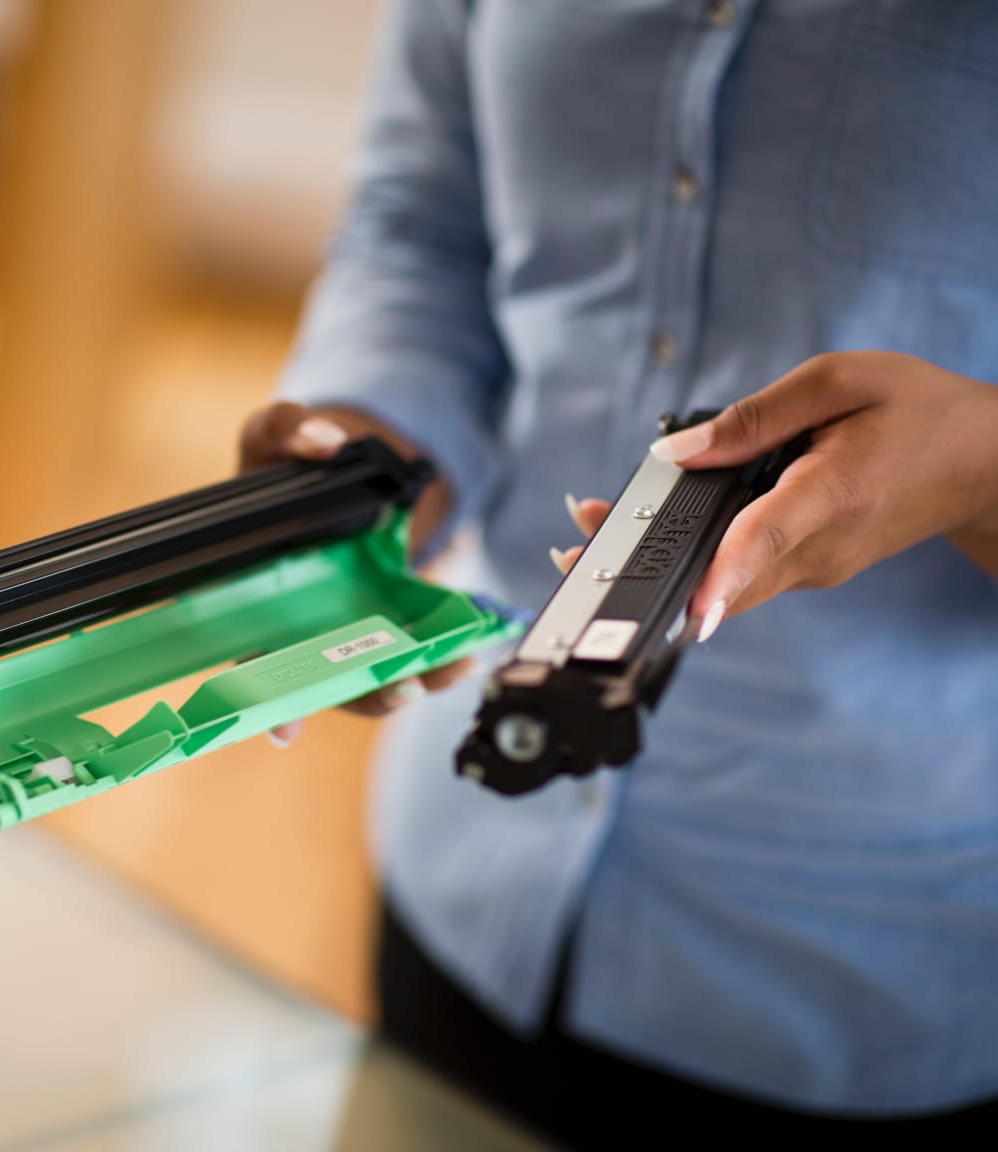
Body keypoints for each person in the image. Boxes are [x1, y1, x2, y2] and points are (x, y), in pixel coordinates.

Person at [237, 2, 998, 1147]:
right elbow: (427, 231)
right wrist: (362, 470)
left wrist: (982, 473)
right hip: (465, 887)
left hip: (868, 971)